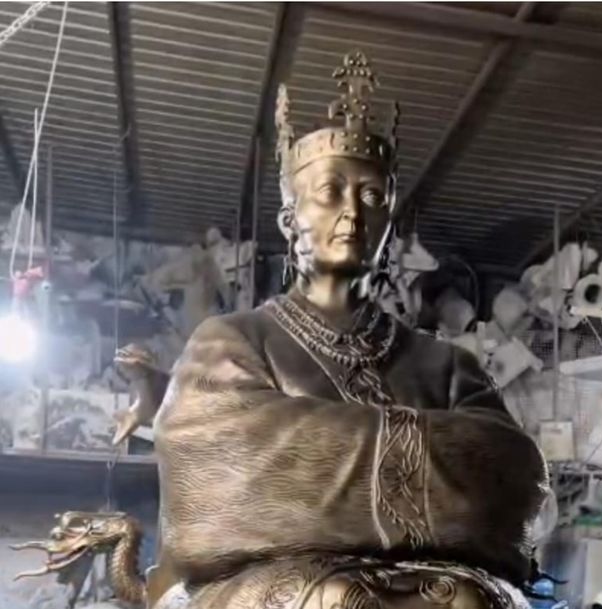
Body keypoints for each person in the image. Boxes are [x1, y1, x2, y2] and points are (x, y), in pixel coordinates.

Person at [153, 50, 548, 609]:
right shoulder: (232, 341)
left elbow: (513, 470)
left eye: (372, 197)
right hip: (273, 578)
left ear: (390, 223)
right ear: (290, 220)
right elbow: (214, 462)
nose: (353, 214)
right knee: (338, 598)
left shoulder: (446, 365)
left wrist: (311, 442)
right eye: (330, 193)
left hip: (439, 579)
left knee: (471, 601)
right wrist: (430, 446)